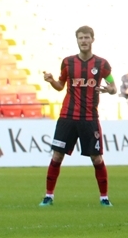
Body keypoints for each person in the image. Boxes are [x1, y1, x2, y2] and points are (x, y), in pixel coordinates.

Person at [40, 26, 117, 207]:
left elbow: (113, 86)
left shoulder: (102, 64)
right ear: (77, 40)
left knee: (96, 158)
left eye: (87, 38)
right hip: (67, 117)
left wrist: (110, 89)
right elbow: (60, 86)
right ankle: (48, 196)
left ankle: (104, 198)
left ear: (92, 39)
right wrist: (52, 81)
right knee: (57, 156)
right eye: (81, 38)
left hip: (90, 119)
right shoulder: (68, 63)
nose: (84, 41)